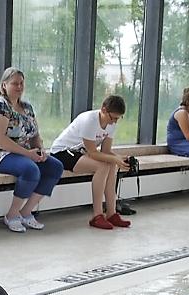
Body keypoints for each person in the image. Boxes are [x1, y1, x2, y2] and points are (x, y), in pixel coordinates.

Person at [0, 67, 64, 232]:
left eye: (21, 83)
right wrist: (28, 155)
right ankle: (12, 215)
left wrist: (40, 151)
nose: (19, 87)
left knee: (55, 166)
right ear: (4, 85)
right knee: (30, 170)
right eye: (14, 83)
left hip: (21, 152)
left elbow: (35, 135)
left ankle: (26, 212)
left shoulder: (27, 107)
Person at [50, 95, 132, 230]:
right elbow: (93, 153)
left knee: (111, 165)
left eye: (118, 119)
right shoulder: (90, 120)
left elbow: (105, 151)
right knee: (102, 167)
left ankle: (111, 213)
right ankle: (97, 215)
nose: (115, 122)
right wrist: (114, 158)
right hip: (62, 152)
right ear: (104, 110)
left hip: (80, 152)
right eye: (113, 118)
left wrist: (119, 158)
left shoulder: (110, 123)